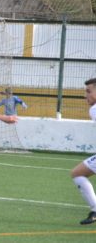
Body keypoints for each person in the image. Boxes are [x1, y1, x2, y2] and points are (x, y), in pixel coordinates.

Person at [71, 78, 96, 225]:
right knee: (78, 173)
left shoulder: (94, 109)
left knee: (77, 173)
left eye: (88, 92)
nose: (85, 96)